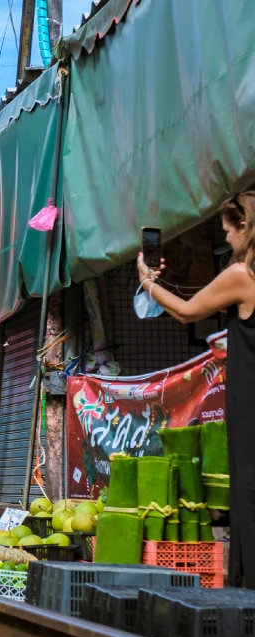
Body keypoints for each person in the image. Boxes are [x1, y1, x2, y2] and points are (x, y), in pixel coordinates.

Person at [138, 191, 255, 589]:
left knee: (247, 496)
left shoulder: (243, 275)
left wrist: (148, 284)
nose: (226, 239)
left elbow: (188, 310)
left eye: (228, 231)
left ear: (245, 226)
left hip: (249, 401)